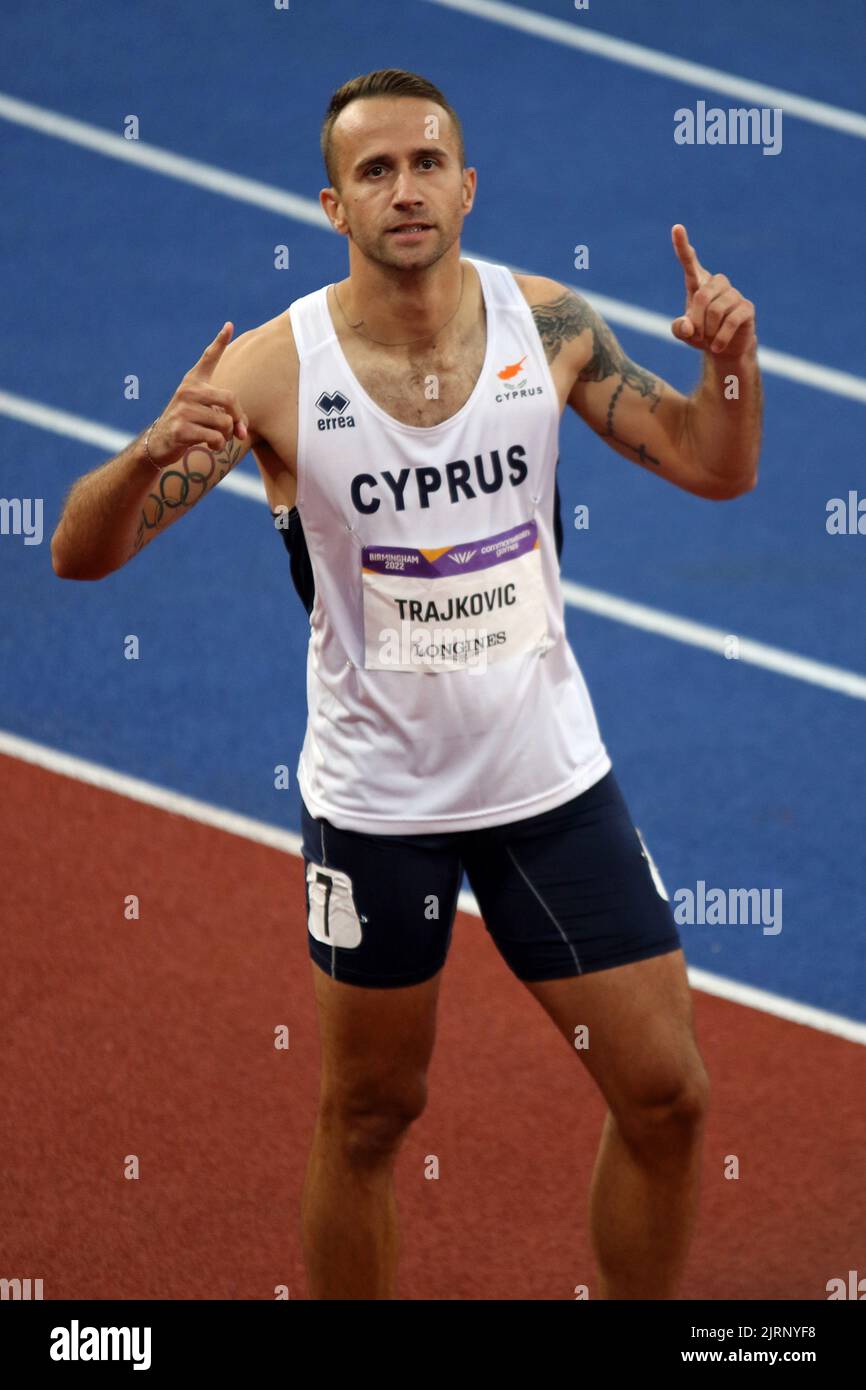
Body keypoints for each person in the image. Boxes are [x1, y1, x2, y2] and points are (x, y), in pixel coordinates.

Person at [51, 68, 761, 1301]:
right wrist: (145, 458)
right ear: (332, 206)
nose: (405, 187)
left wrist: (733, 371)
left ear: (467, 186)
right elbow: (77, 551)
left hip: (548, 782)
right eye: (373, 171)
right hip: (378, 812)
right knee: (372, 1116)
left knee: (666, 1094)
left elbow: (714, 465)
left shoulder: (545, 326)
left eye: (426, 162)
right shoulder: (274, 371)